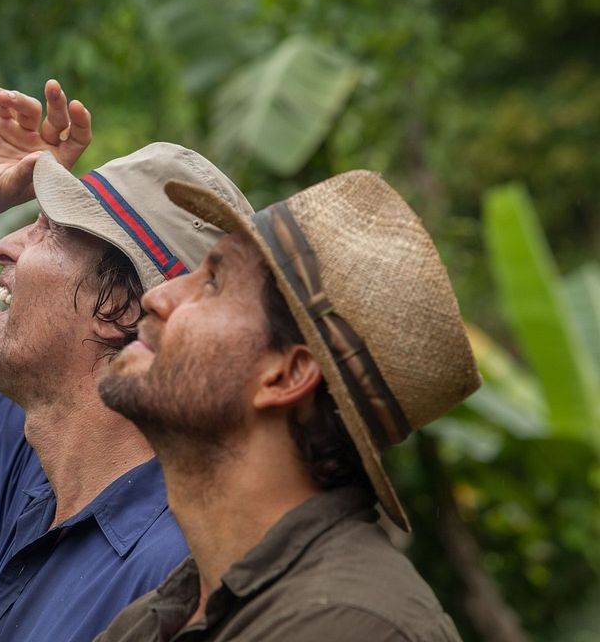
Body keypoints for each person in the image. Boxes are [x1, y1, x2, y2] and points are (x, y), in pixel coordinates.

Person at [0, 80, 253, 642]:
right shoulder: (45, 479)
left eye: (49, 229)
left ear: (122, 307)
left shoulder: (176, 573)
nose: (7, 245)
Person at [94, 170, 482, 642]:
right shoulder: (157, 617)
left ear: (287, 375)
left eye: (213, 282)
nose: (157, 297)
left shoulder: (348, 625)